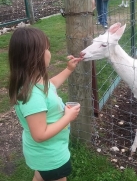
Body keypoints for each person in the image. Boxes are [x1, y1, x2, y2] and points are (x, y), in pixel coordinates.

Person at [8, 27, 82, 181]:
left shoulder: (34, 82)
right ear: (36, 56)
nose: (50, 52)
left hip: (42, 154)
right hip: (50, 156)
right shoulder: (33, 96)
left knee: (40, 176)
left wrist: (69, 69)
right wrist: (68, 117)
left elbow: (51, 84)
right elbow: (40, 135)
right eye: (47, 48)